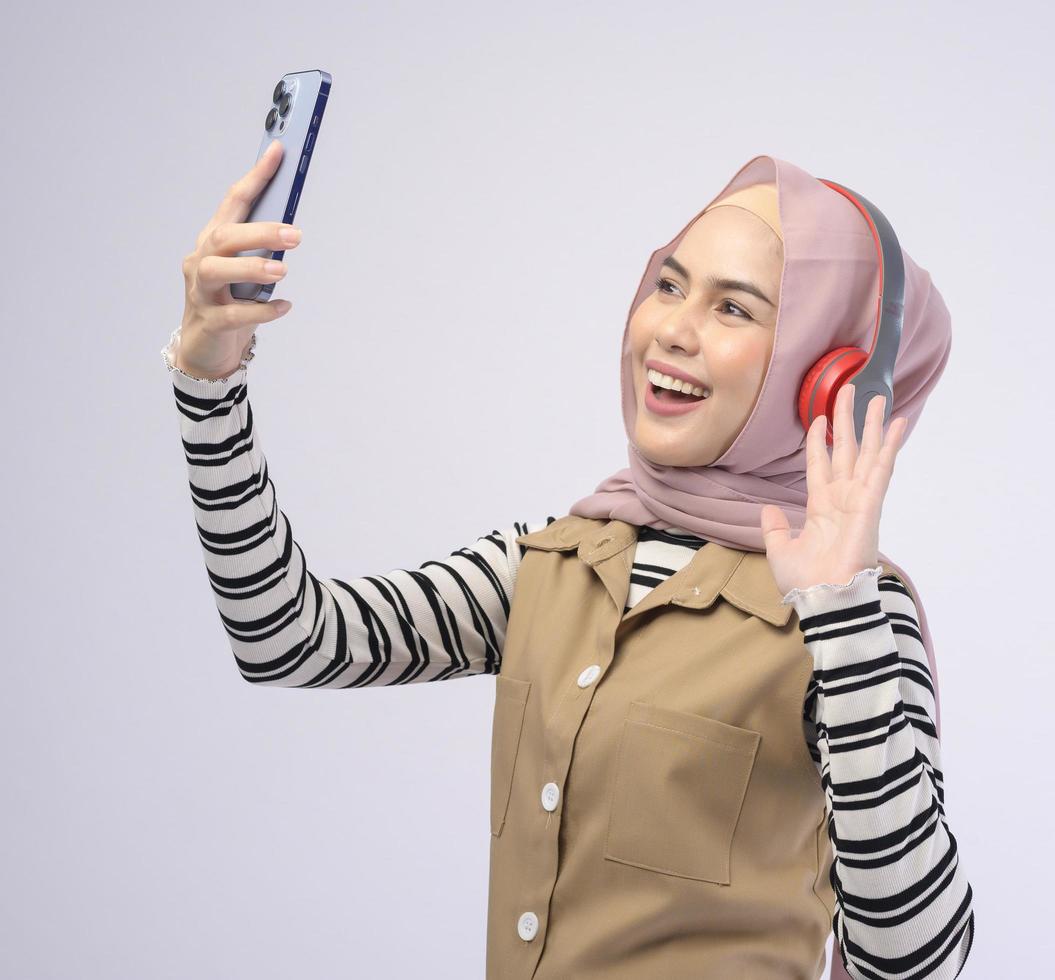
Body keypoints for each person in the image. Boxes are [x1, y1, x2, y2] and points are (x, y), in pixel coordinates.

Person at [166, 145, 976, 979]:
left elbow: (912, 960)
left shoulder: (851, 618)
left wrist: (842, 613)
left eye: (735, 309)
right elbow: (286, 638)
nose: (672, 330)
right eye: (668, 284)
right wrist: (208, 382)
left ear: (829, 376)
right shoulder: (555, 564)